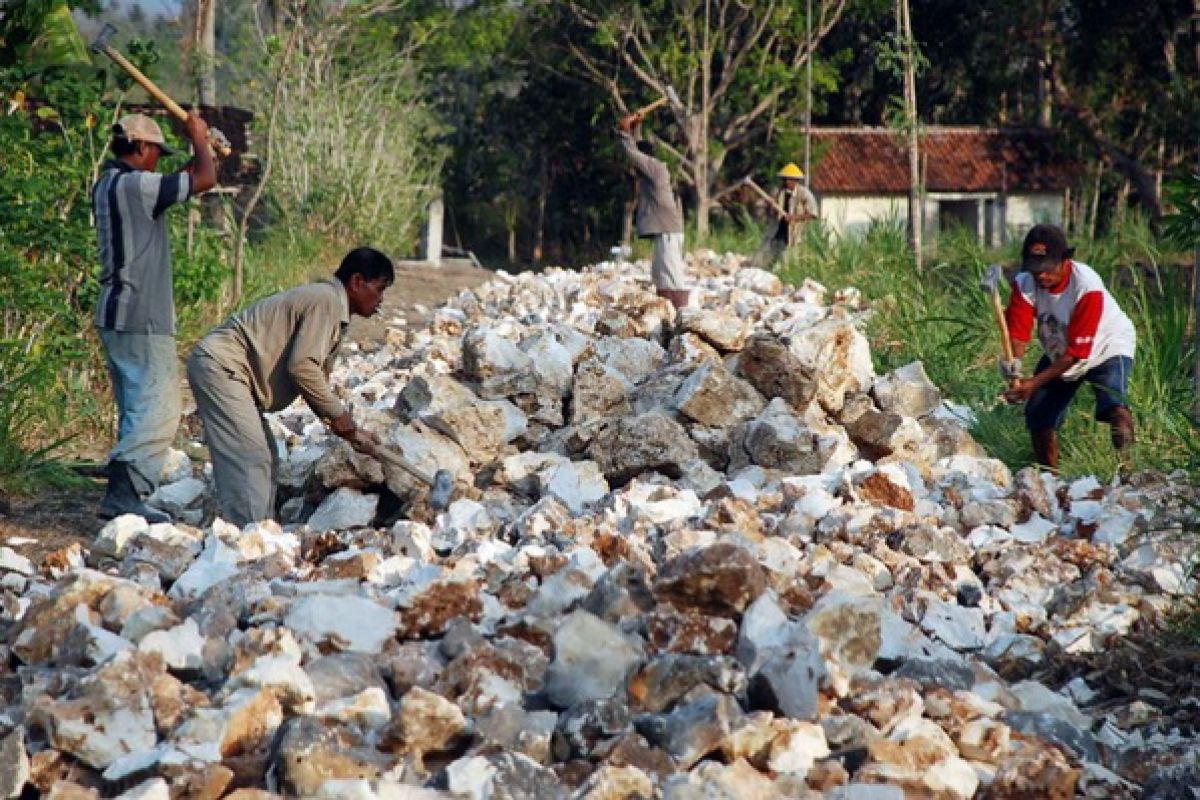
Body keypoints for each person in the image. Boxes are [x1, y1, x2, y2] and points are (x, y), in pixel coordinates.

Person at [186, 247, 392, 526]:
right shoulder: (327, 301)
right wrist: (341, 417)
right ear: (357, 282)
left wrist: (349, 431)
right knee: (251, 457)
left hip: (233, 375)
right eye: (379, 289)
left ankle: (257, 528)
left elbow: (312, 377)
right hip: (222, 368)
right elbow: (303, 368)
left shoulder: (331, 306)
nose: (381, 300)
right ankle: (248, 543)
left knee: (267, 456)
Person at [94, 112, 217, 522]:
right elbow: (204, 180)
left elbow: (179, 183)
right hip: (140, 313)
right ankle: (125, 492)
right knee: (161, 407)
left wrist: (204, 152)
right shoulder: (134, 186)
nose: (157, 163)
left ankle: (123, 489)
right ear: (142, 148)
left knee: (136, 404)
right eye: (156, 154)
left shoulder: (111, 185)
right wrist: (199, 137)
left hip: (117, 312)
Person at [1000, 224, 1136, 469]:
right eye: (1035, 270)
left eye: (1047, 269)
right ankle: (1051, 479)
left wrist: (1033, 383)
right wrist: (1015, 365)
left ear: (1065, 260)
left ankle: (1127, 472)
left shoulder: (1086, 287)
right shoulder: (1025, 284)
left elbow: (1076, 355)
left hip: (1107, 346)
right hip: (1061, 349)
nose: (1041, 276)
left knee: (1115, 407)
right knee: (1038, 415)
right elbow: (1018, 334)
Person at [617, 111, 689, 309]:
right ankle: (666, 311)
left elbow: (633, 153)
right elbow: (639, 148)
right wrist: (636, 126)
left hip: (669, 230)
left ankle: (680, 311)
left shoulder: (655, 168)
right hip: (663, 230)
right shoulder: (652, 167)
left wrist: (624, 131)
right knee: (659, 274)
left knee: (672, 274)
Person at [753, 162, 818, 268]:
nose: (786, 181)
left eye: (789, 179)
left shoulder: (804, 193)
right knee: (767, 254)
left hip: (794, 232)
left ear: (795, 180)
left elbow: (813, 214)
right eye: (784, 179)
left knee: (789, 260)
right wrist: (770, 206)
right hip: (777, 230)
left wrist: (794, 217)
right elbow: (771, 214)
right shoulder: (778, 191)